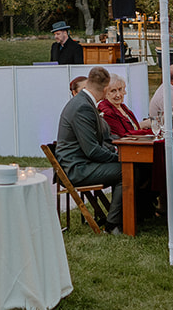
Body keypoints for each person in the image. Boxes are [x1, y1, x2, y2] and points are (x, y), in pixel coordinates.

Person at [53, 66, 124, 233]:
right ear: (106, 89)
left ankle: (131, 216)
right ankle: (113, 224)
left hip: (82, 162)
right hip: (76, 168)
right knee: (126, 170)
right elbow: (91, 150)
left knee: (129, 168)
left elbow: (98, 143)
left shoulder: (84, 102)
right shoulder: (82, 107)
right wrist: (120, 158)